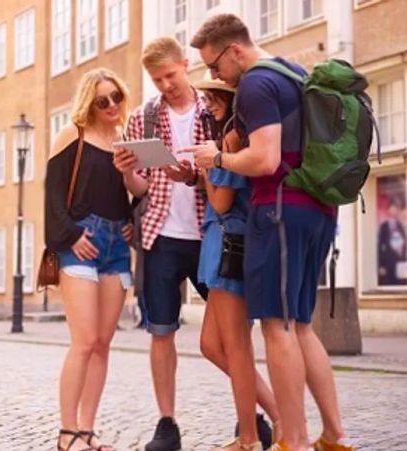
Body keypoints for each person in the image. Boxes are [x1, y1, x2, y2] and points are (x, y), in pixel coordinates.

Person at [187, 14, 354, 451]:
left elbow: (264, 160)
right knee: (301, 325)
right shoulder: (295, 73)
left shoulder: (257, 85)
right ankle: (334, 435)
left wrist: (216, 160)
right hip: (317, 208)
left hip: (279, 211)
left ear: (235, 50)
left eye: (214, 65)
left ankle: (293, 442)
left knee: (276, 328)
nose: (214, 76)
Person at [113, 37, 209, 451]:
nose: (165, 85)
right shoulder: (143, 118)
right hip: (159, 235)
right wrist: (126, 172)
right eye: (157, 80)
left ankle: (252, 415)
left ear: (185, 65)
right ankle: (167, 424)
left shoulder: (214, 109)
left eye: (170, 75)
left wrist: (193, 174)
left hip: (211, 235)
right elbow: (140, 188)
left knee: (232, 335)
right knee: (161, 331)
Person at [45, 68, 134, 451]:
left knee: (101, 343)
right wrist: (71, 236)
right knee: (82, 342)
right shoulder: (72, 136)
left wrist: (131, 221)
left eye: (116, 96)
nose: (112, 104)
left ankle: (88, 429)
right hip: (80, 240)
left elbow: (126, 193)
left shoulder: (124, 141)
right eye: (103, 100)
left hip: (116, 247)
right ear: (89, 103)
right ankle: (67, 433)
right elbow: (52, 197)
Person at [194, 72, 280, 451]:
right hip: (223, 240)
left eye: (215, 96)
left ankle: (248, 438)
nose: (209, 102)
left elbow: (220, 201)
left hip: (229, 241)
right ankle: (280, 416)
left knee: (237, 346)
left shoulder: (230, 138)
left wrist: (205, 169)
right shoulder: (231, 138)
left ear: (231, 100)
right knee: (212, 344)